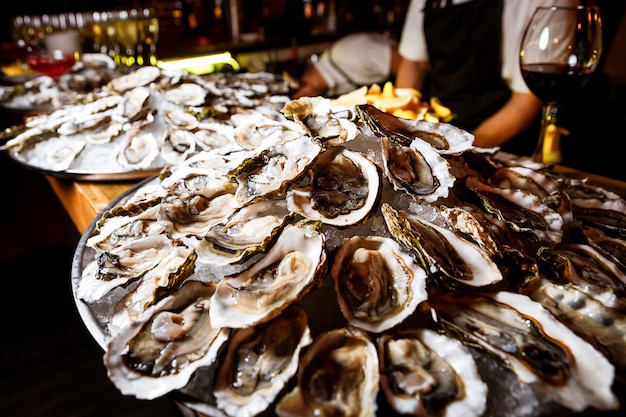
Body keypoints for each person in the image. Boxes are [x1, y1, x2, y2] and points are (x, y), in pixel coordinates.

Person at [395, 0, 578, 155]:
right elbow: (414, 63)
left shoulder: (552, 3)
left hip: (503, 147)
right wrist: (398, 132)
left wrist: (456, 153)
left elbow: (525, 103)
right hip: (435, 128)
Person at [293, 32, 401, 99]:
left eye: (297, 99)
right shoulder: (328, 86)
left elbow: (404, 62)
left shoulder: (349, 56)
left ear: (305, 86)